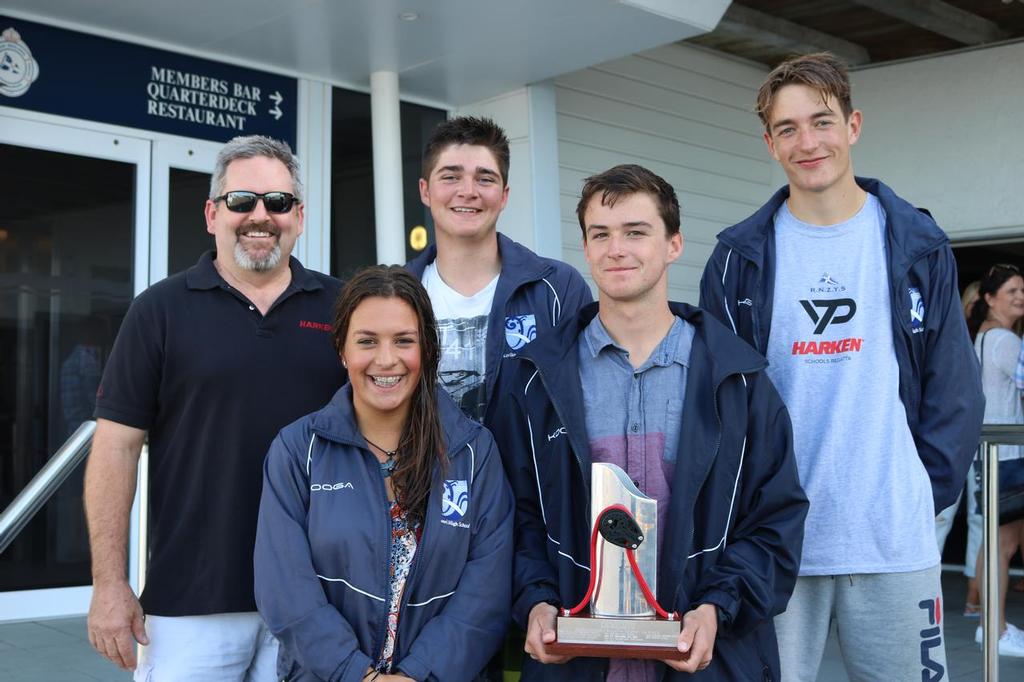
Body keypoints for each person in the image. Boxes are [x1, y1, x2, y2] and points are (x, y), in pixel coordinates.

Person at [699, 52, 984, 680]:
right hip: (773, 546)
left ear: (853, 126)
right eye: (788, 129)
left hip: (891, 541)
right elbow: (715, 407)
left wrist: (915, 494)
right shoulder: (735, 260)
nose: (809, 142)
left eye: (821, 122)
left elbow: (955, 393)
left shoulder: (918, 244)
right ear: (770, 143)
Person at [491, 164, 808, 681]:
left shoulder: (738, 380)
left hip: (706, 663)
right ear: (587, 248)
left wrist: (717, 609)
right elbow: (513, 515)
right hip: (577, 664)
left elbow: (775, 519)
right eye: (601, 234)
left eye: (636, 232)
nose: (617, 249)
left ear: (674, 244)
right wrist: (535, 601)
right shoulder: (534, 380)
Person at [84, 135, 346, 679]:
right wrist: (110, 582)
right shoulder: (158, 311)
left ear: (299, 216)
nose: (260, 216)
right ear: (211, 213)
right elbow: (116, 448)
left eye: (277, 203)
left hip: (319, 592)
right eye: (241, 201)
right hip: (191, 600)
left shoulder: (345, 310)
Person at [254, 266, 514, 681]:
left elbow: (486, 593)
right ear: (342, 349)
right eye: (367, 341)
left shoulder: (472, 452)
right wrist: (358, 675)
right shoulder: (298, 450)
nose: (387, 359)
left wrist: (418, 675)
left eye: (404, 341)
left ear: (427, 349)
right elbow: (285, 591)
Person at [407, 116, 592, 427]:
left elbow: (588, 405)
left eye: (485, 178)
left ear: (504, 195)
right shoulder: (396, 296)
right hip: (423, 476)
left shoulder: (558, 289)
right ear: (425, 191)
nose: (468, 191)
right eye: (451, 177)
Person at [967, 264, 1024, 656]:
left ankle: (991, 624)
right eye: (1011, 291)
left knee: (997, 544)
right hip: (1008, 456)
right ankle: (996, 629)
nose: (1020, 296)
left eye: (1022, 290)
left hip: (992, 455)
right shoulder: (1005, 340)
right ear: (990, 298)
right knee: (1003, 547)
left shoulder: (985, 337)